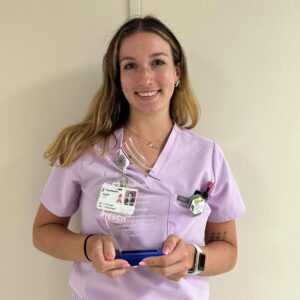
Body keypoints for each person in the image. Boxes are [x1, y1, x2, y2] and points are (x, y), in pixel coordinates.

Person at [32, 16, 245, 300]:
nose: (145, 78)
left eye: (158, 62)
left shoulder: (207, 156)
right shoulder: (85, 151)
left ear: (177, 72)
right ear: (118, 78)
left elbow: (228, 249)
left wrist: (193, 258)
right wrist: (88, 246)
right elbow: (43, 231)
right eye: (130, 65)